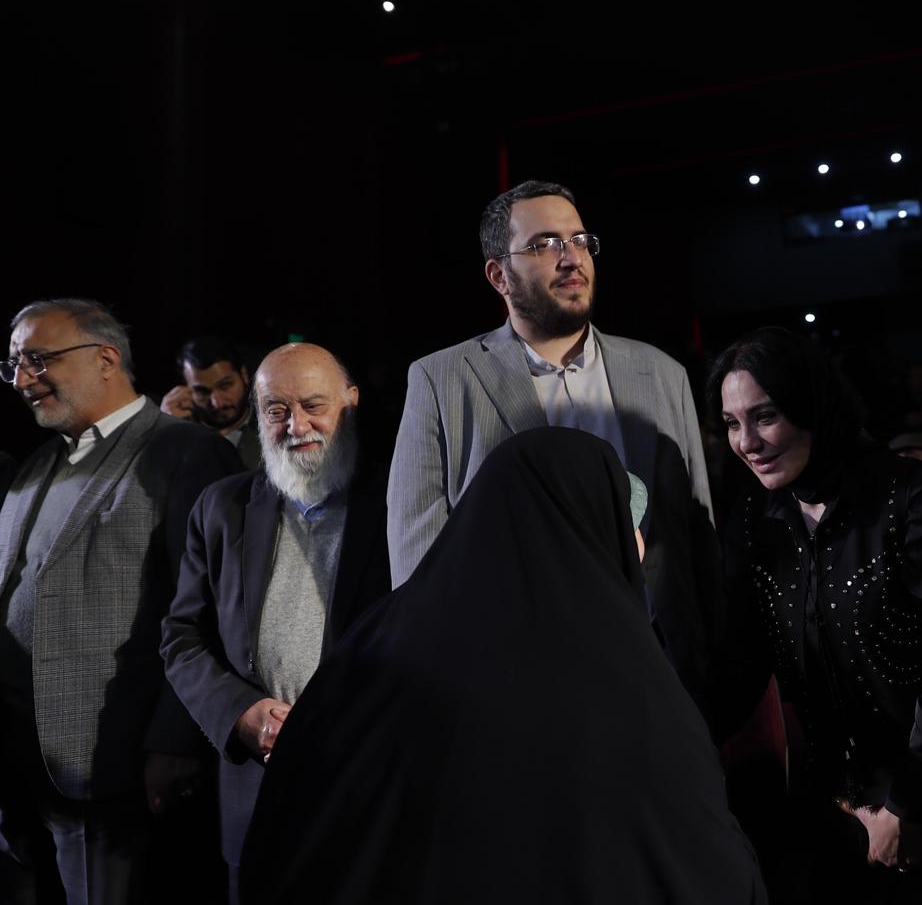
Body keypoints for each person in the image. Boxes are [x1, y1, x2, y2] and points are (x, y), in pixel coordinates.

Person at [241, 428, 766, 904]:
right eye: (624, 521)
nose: (638, 544)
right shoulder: (628, 684)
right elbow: (705, 862)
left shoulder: (377, 644)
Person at [387, 179, 719, 703]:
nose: (571, 258)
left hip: (656, 671)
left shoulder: (661, 373)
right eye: (544, 244)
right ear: (499, 275)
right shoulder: (440, 378)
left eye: (580, 240)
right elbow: (417, 552)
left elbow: (696, 538)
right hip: (514, 674)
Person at [709, 327, 922, 901]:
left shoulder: (909, 496)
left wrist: (904, 806)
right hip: (836, 808)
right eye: (732, 423)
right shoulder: (755, 519)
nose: (747, 442)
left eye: (765, 416)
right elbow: (740, 665)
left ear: (813, 406)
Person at [0, 298, 241, 904]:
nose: (23, 380)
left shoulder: (185, 452)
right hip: (19, 767)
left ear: (105, 359)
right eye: (14, 365)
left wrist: (176, 739)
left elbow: (211, 611)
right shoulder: (36, 464)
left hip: (111, 765)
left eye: (37, 359)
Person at [161, 343, 390, 903]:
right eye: (276, 410)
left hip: (372, 786)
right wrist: (239, 713)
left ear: (351, 402)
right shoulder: (221, 508)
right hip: (257, 791)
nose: (296, 426)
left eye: (313, 405)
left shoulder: (400, 503)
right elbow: (182, 638)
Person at [160, 336, 261, 470]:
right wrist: (164, 430)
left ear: (244, 375)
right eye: (202, 392)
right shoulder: (181, 432)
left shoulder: (270, 426)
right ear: (185, 389)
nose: (217, 403)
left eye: (225, 386)